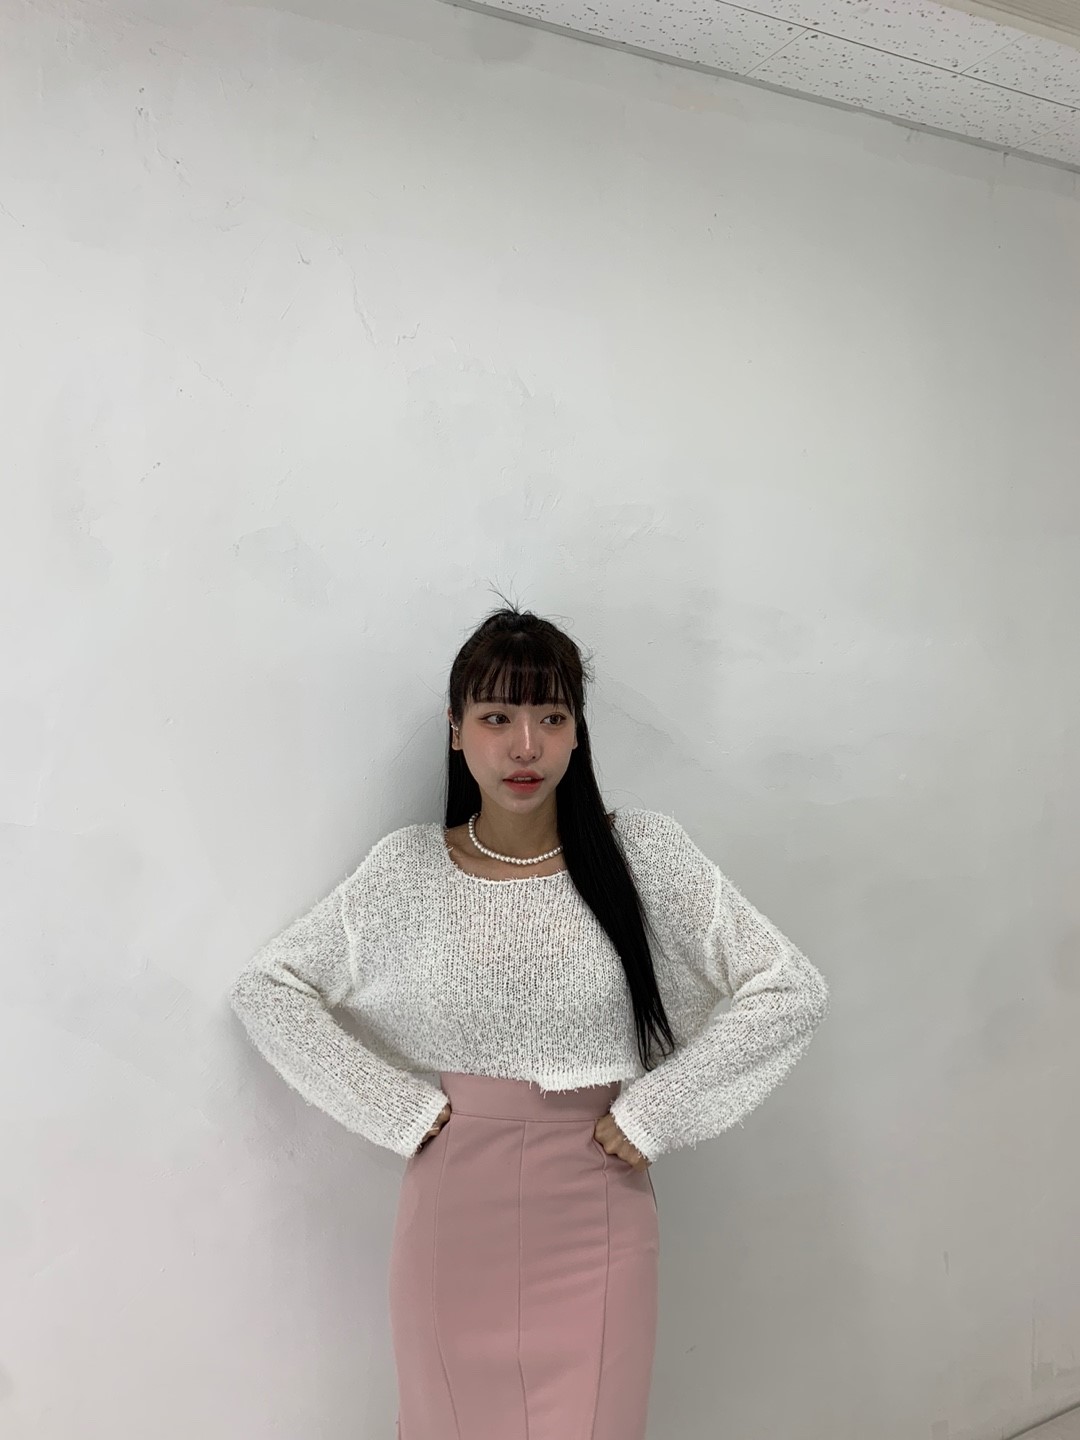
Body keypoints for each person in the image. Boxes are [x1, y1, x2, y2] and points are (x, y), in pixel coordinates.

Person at [229, 602, 830, 1440]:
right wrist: (394, 1106)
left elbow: (789, 987)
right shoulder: (408, 870)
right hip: (454, 1210)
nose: (525, 746)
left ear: (578, 733)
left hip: (598, 1206)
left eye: (551, 717)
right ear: (455, 730)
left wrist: (659, 1110)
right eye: (496, 717)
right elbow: (269, 988)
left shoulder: (643, 855)